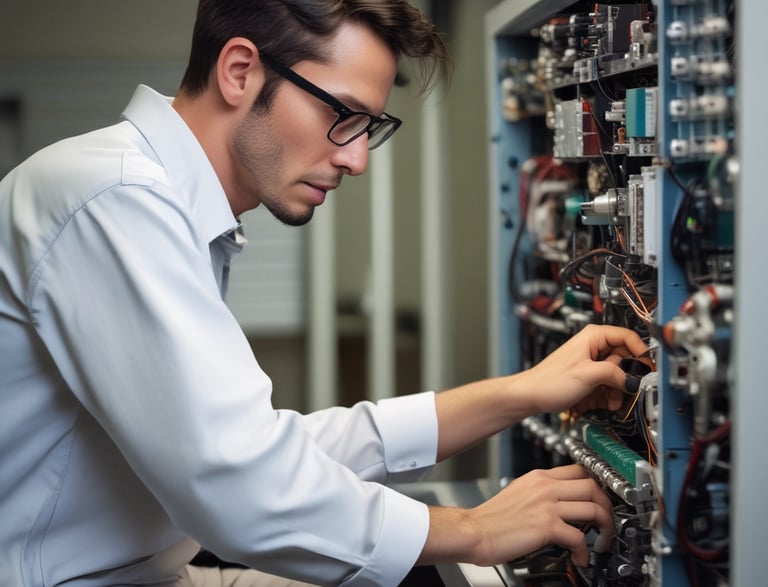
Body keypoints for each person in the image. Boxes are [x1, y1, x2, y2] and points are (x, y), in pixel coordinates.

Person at [0, 1, 648, 586]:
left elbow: (255, 451)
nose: (357, 159)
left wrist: (520, 392)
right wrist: (477, 530)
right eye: (343, 116)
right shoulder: (114, 201)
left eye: (372, 126)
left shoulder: (161, 207)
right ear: (239, 71)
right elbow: (241, 488)